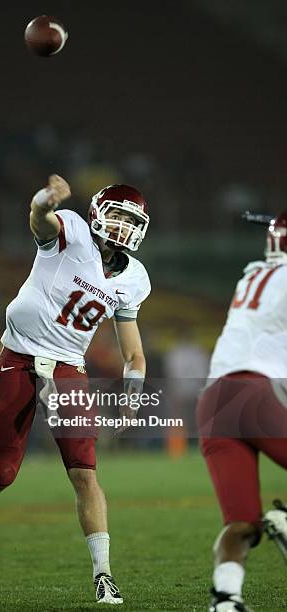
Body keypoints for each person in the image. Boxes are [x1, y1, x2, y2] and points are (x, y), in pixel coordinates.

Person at [0, 175, 151, 604]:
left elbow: (134, 354)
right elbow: (40, 220)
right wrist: (44, 199)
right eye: (116, 215)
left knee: (84, 471)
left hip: (67, 367)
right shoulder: (72, 231)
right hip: (18, 356)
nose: (121, 227)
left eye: (130, 220)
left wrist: (133, 393)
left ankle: (103, 574)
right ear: (97, 213)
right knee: (1, 474)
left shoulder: (134, 279)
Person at [196, 211, 287, 611]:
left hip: (213, 401)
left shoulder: (252, 274)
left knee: (242, 524)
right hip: (253, 393)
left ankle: (226, 599)